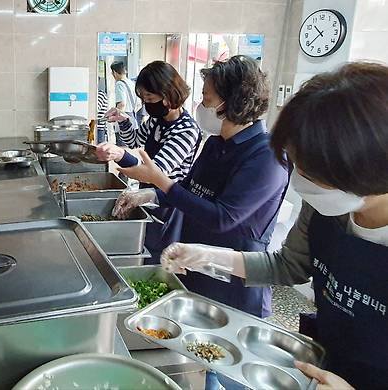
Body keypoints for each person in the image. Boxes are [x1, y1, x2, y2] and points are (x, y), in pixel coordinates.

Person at [161, 62, 388, 390]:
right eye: (298, 165)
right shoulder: (326, 207)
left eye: (312, 172)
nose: (298, 182)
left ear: (366, 168)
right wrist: (209, 256)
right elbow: (288, 265)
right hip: (327, 361)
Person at [113, 55, 289, 389]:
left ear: (230, 102)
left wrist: (159, 182)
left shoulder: (266, 156)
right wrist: (148, 195)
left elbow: (223, 217)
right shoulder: (214, 144)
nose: (201, 104)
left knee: (231, 371)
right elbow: (188, 193)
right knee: (199, 363)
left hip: (236, 283)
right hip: (197, 270)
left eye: (206, 98)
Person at [96, 60, 201, 261]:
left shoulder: (186, 130)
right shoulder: (156, 120)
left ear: (168, 95)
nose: (146, 104)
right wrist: (124, 120)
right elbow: (136, 140)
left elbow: (155, 171)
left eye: (150, 97)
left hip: (168, 205)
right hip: (147, 197)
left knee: (159, 260)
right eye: (143, 98)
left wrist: (119, 155)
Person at [110, 61, 141, 141]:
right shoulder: (131, 83)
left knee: (122, 148)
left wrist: (116, 117)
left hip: (124, 121)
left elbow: (122, 104)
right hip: (133, 119)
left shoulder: (119, 84)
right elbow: (139, 104)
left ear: (114, 72)